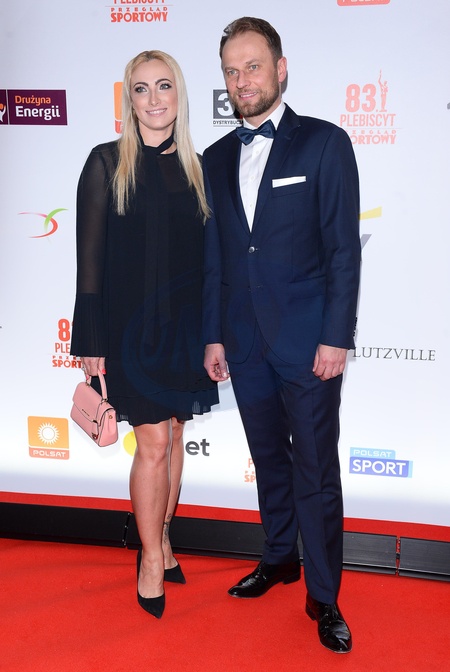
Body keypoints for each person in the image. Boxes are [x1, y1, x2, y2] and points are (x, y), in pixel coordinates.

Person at [202, 18, 360, 653]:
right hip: (244, 343)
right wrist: (214, 336)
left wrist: (336, 337)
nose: (242, 80)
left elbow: (343, 250)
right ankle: (278, 557)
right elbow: (216, 258)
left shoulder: (324, 143)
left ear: (280, 68)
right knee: (267, 458)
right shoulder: (215, 158)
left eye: (253, 66)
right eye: (231, 71)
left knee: (315, 470)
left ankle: (324, 596)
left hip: (308, 343)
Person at [70, 50, 218, 619]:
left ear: (179, 94)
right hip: (130, 333)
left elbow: (208, 264)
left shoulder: (197, 168)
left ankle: (164, 537)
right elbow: (88, 262)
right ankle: (151, 558)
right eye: (141, 89)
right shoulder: (106, 163)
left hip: (183, 331)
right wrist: (90, 340)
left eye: (163, 86)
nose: (154, 99)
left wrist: (214, 334)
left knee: (174, 436)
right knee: (153, 443)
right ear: (128, 100)